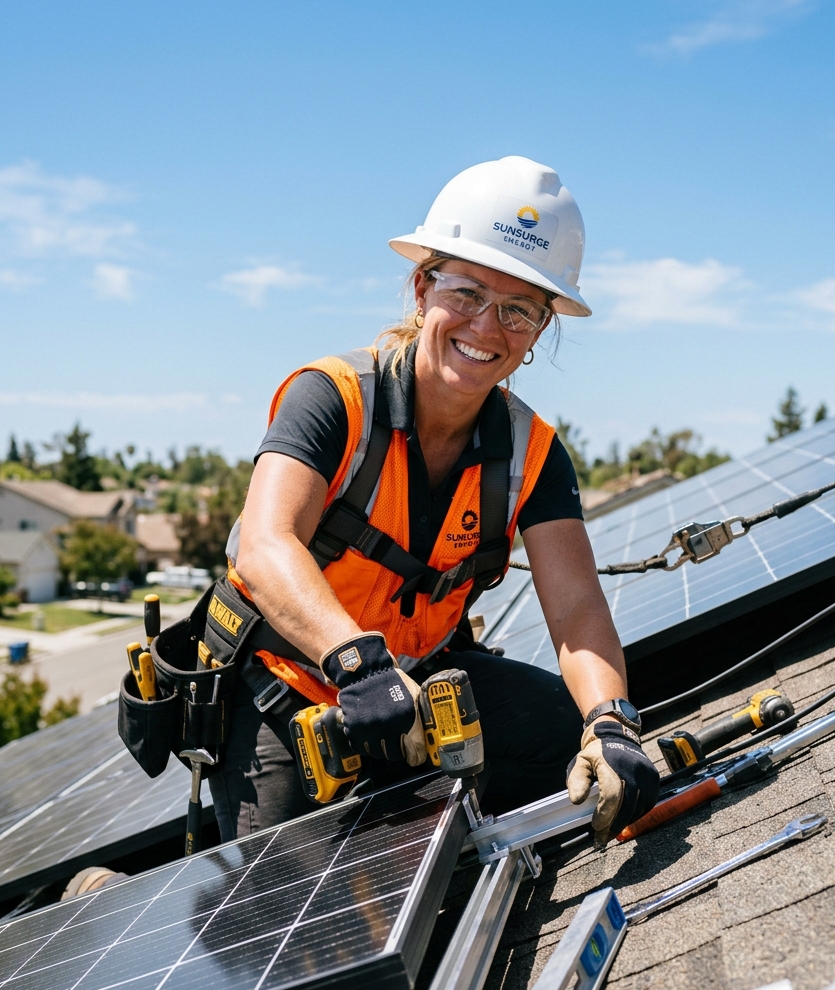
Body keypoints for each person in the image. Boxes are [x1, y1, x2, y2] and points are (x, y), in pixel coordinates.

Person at [211, 155, 660, 847]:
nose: (487, 327)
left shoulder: (531, 451)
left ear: (541, 330)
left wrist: (611, 722)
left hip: (425, 683)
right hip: (292, 688)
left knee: (564, 747)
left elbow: (574, 608)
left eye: (519, 310)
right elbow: (269, 545)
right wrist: (357, 663)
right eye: (468, 293)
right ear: (423, 289)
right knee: (280, 922)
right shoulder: (333, 398)